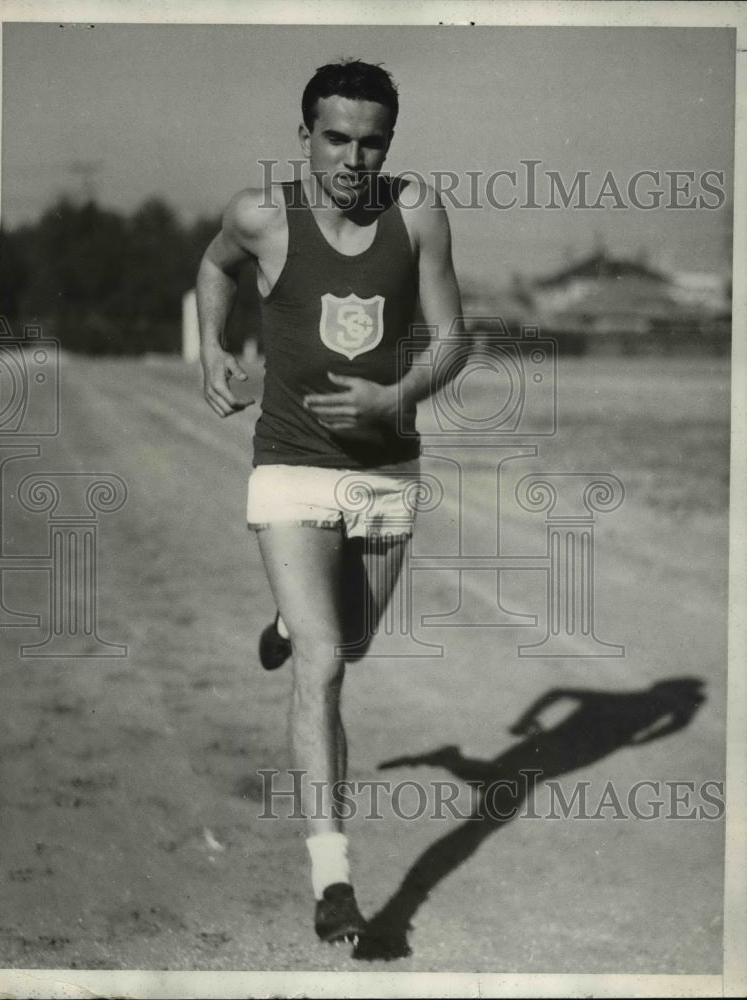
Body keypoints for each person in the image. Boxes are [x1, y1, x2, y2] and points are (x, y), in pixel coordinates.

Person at [196, 59, 464, 945]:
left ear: (391, 141)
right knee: (325, 663)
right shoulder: (262, 215)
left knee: (347, 639)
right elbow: (214, 269)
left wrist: (396, 400)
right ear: (304, 134)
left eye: (372, 140)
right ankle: (333, 878)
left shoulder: (417, 212)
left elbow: (454, 339)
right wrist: (213, 353)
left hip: (387, 469)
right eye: (336, 137)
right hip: (291, 464)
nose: (354, 156)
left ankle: (285, 619)